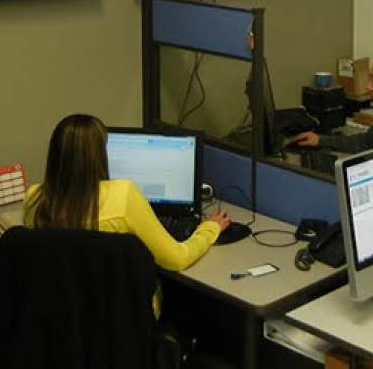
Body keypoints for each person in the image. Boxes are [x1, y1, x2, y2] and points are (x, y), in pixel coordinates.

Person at [24, 114, 231, 318]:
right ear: (98, 155)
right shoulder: (123, 195)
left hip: (59, 318)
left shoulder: (35, 199)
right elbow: (177, 259)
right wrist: (210, 228)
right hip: (122, 319)